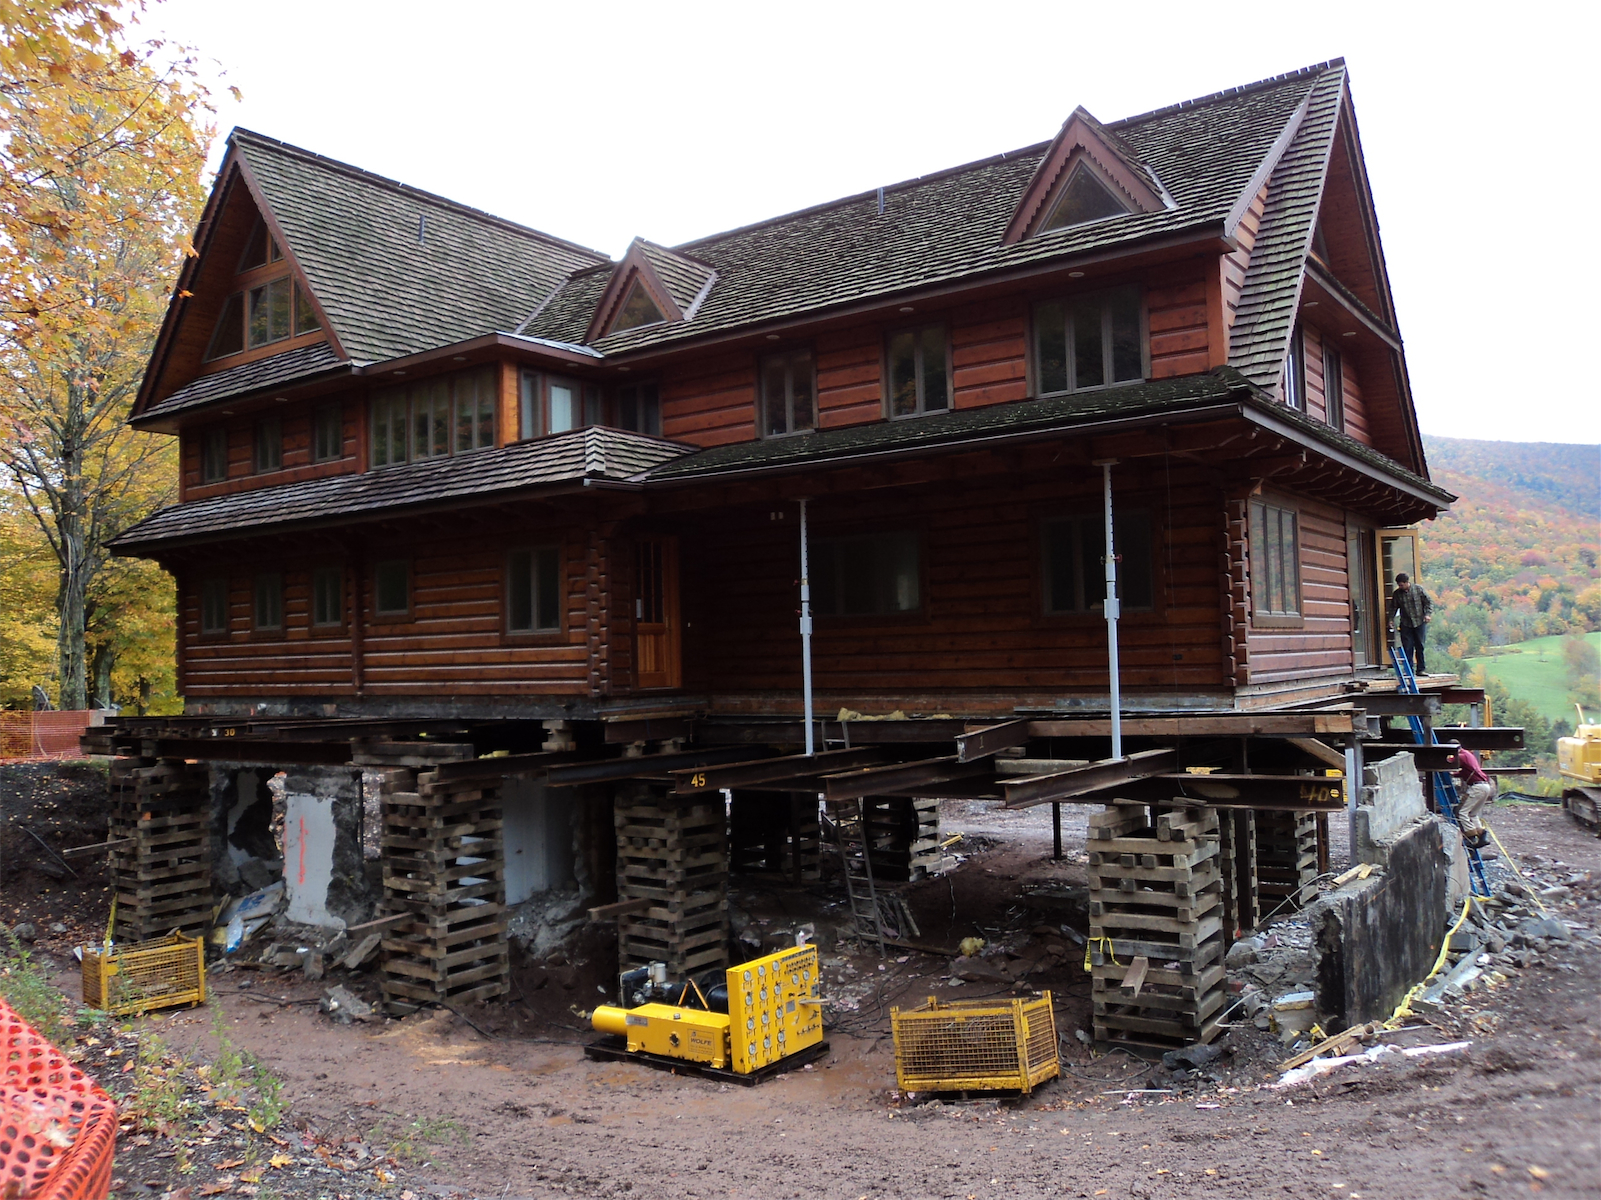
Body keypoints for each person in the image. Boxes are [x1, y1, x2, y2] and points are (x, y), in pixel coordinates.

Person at [1388, 572, 1433, 674]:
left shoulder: (1418, 589)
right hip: (1406, 623)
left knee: (1420, 646)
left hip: (1419, 621)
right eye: (1398, 585)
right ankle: (1409, 671)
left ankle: (1421, 669)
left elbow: (1428, 602)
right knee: (1407, 647)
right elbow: (1393, 608)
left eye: (1401, 584)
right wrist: (1391, 619)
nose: (1400, 586)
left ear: (1407, 582)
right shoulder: (1397, 594)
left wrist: (1428, 614)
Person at [1449, 748, 1495, 848]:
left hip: (1477, 787)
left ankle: (1471, 836)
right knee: (1472, 814)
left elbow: (1449, 762)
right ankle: (1482, 834)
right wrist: (1454, 774)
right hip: (1485, 786)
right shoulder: (1469, 755)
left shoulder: (1461, 756)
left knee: (1461, 812)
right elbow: (1466, 771)